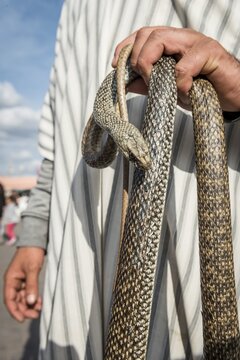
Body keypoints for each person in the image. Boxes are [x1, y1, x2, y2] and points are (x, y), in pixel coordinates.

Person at [3, 1, 240, 359]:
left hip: (196, 212)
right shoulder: (73, 8)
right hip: (79, 234)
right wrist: (34, 234)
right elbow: (57, 132)